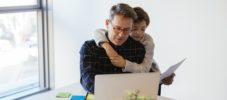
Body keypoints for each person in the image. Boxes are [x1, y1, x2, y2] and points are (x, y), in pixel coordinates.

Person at [80, 3, 174, 94]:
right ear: (107, 23)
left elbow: (145, 79)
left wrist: (161, 80)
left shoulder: (139, 49)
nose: (121, 35)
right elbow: (87, 81)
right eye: (117, 28)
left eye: (126, 30)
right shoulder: (90, 48)